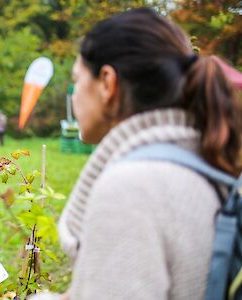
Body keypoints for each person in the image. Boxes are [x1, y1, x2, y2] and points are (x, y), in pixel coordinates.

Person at [55, 8, 241, 300]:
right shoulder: (203, 165)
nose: (75, 94)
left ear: (107, 83)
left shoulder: (130, 188)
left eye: (77, 80)